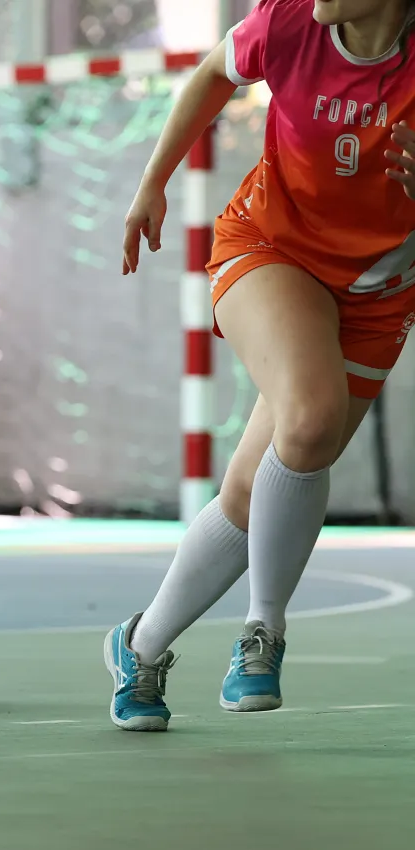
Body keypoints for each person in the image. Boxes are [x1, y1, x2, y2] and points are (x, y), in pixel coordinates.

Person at [109, 0, 415, 731]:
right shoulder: (289, 23)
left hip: (377, 293)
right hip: (269, 248)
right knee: (311, 418)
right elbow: (214, 74)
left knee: (256, 491)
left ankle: (139, 645)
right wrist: (154, 180)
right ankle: (263, 631)